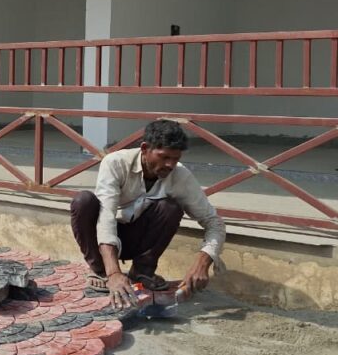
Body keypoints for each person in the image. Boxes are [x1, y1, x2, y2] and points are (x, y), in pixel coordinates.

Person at [70, 119, 225, 308]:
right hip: (106, 241)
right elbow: (106, 218)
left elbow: (214, 222)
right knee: (83, 201)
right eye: (164, 157)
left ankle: (142, 271)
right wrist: (113, 273)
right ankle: (100, 271)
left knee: (171, 207)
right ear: (144, 148)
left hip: (138, 237)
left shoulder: (180, 176)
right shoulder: (115, 163)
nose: (170, 164)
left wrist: (203, 261)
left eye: (175, 159)